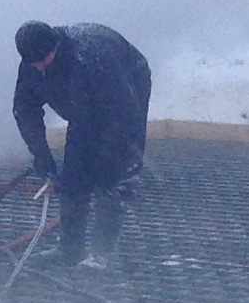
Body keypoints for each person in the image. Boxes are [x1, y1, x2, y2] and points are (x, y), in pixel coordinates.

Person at [12, 20, 151, 269]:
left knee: (112, 173)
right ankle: (70, 249)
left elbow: (122, 112)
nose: (40, 67)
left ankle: (101, 253)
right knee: (74, 174)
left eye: (44, 60)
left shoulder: (93, 56)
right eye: (34, 63)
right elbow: (25, 110)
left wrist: (109, 155)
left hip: (126, 91)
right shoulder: (32, 65)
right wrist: (40, 153)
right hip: (83, 107)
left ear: (54, 46)